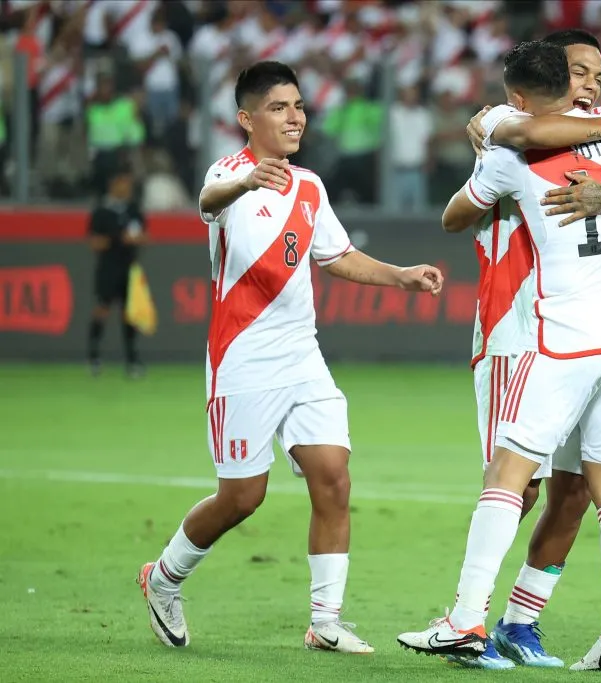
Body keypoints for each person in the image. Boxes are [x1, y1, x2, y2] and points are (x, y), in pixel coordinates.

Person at [136, 61, 444, 653]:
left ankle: (325, 623)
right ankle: (164, 578)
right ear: (247, 119)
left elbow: (337, 255)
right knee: (241, 498)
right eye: (279, 107)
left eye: (299, 105)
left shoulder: (310, 185)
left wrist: (400, 277)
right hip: (242, 359)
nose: (295, 116)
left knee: (332, 478)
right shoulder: (229, 174)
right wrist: (248, 183)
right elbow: (207, 199)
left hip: (303, 356)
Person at [398, 39, 601, 672]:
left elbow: (453, 216)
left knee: (512, 479)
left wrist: (495, 172)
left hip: (560, 337)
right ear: (559, 80)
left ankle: (471, 620)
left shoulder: (510, 146)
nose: (594, 87)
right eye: (581, 74)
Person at [87, 162, 146, 378]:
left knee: (129, 314)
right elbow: (94, 242)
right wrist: (116, 239)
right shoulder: (101, 211)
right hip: (108, 268)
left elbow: (144, 236)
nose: (128, 187)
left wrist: (135, 239)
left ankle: (132, 360)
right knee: (102, 309)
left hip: (129, 268)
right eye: (124, 183)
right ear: (114, 184)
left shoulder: (133, 209)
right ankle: (94, 357)